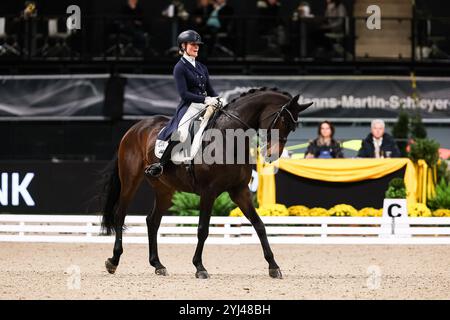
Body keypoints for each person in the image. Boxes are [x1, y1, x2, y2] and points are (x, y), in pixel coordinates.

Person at [145, 30, 220, 177]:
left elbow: (210, 89)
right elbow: (184, 94)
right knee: (183, 132)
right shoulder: (179, 67)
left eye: (198, 45)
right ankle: (160, 164)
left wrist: (217, 98)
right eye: (193, 44)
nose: (196, 47)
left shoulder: (201, 67)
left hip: (206, 105)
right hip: (189, 107)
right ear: (183, 46)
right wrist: (205, 99)